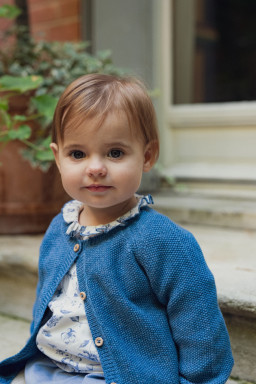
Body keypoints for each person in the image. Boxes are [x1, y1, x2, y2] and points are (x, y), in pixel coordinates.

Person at [0, 74, 234, 384]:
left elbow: (199, 326)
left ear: (147, 156)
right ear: (58, 158)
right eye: (78, 154)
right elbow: (48, 301)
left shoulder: (163, 241)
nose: (95, 168)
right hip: (48, 368)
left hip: (122, 375)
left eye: (115, 153)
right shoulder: (60, 228)